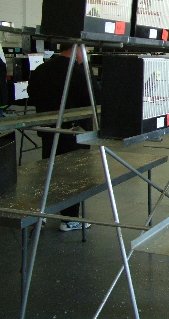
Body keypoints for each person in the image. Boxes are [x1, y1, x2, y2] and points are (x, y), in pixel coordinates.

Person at [27, 43, 101, 232]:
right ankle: (70, 219)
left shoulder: (41, 69)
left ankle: (42, 213)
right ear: (78, 48)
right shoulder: (79, 72)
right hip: (75, 133)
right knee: (73, 177)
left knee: (49, 171)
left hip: (49, 131)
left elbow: (32, 95)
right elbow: (95, 98)